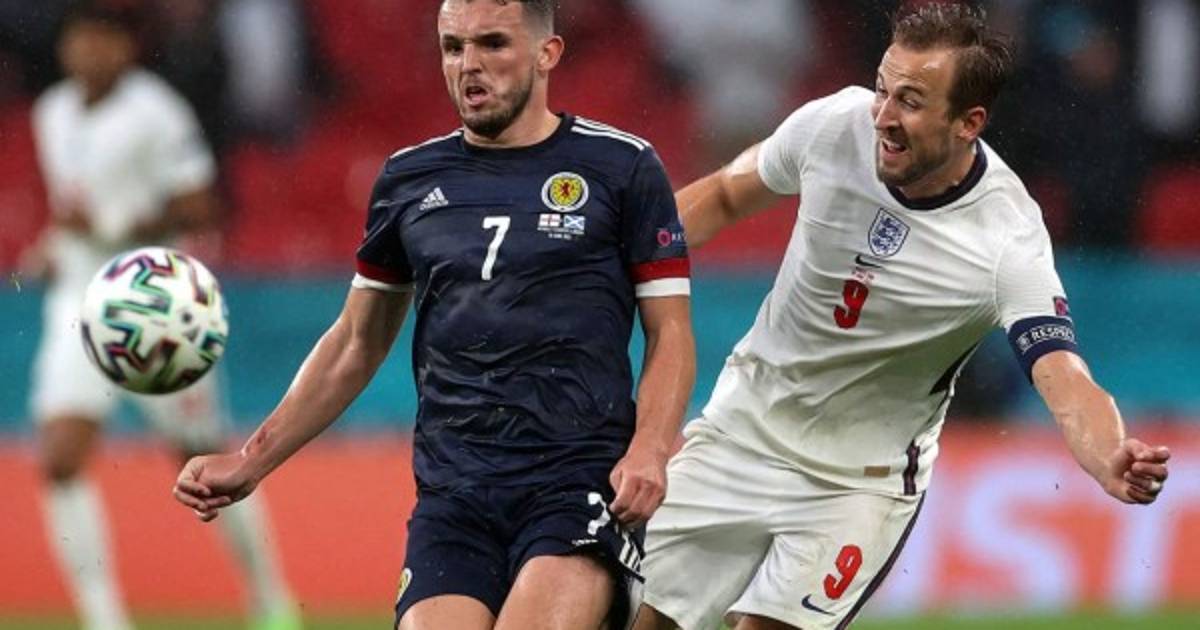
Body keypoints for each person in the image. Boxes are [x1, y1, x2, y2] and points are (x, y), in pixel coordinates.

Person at [632, 4, 1171, 630]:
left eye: (910, 102)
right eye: (883, 89)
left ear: (969, 123)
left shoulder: (1008, 237)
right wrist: (618, 262)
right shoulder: (834, 124)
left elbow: (1062, 374)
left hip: (857, 487)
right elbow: (725, 194)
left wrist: (1109, 452)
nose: (883, 116)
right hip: (739, 433)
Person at [173, 1, 696, 630]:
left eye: (493, 44)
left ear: (547, 53)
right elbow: (356, 341)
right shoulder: (409, 180)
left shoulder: (622, 167)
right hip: (455, 499)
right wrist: (250, 460)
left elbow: (670, 331)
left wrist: (650, 450)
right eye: (453, 47)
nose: (469, 64)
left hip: (577, 484)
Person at [24, 4, 301, 630]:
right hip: (78, 300)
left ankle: (271, 601)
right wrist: (53, 244)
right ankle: (105, 620)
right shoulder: (52, 112)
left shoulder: (156, 113)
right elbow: (73, 206)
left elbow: (202, 204)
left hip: (155, 303)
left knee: (204, 464)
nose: (88, 50)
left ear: (124, 46)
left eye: (102, 37)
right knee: (60, 457)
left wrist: (115, 225)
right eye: (79, 37)